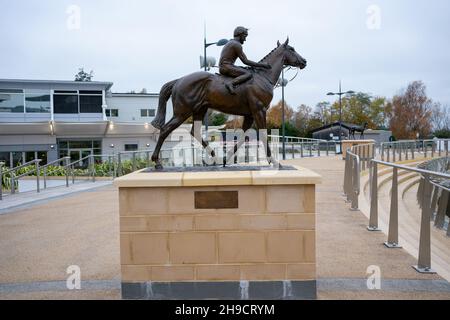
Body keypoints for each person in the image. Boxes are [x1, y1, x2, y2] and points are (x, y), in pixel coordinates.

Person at [219, 26, 271, 94]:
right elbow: (245, 61)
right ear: (240, 34)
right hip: (226, 67)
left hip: (225, 66)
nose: (245, 39)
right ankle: (231, 83)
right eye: (245, 36)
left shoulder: (230, 43)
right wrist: (262, 65)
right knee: (248, 73)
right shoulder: (236, 45)